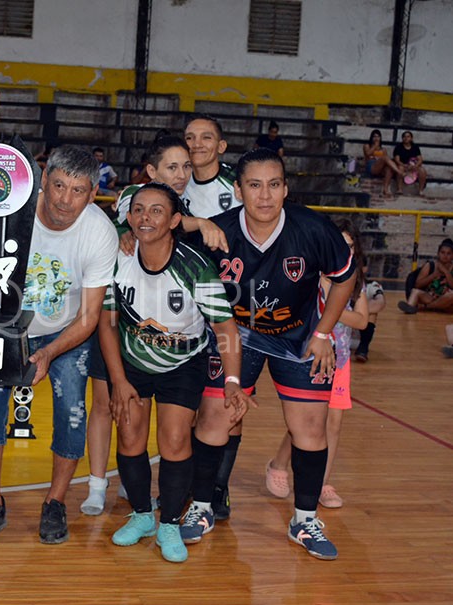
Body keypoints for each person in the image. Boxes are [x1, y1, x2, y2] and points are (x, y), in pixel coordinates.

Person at [184, 148, 355, 561]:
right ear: (238, 189)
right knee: (213, 421)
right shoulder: (217, 232)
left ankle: (304, 520)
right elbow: (161, 230)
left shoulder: (312, 228)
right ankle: (202, 507)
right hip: (235, 335)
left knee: (310, 431)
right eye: (255, 186)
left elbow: (345, 278)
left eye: (274, 185)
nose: (264, 196)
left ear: (286, 188)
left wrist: (323, 332)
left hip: (297, 338)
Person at [0, 145, 118, 545]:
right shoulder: (10, 212)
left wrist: (49, 353)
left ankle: (55, 501)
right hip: (6, 324)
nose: (65, 200)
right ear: (42, 179)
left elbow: (89, 316)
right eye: (58, 186)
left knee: (72, 409)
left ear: (93, 192)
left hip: (67, 331)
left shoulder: (99, 232)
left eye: (79, 190)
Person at [99, 183, 251, 563]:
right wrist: (118, 380)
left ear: (175, 220)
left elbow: (226, 329)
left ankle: (169, 523)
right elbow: (107, 324)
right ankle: (141, 516)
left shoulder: (195, 267)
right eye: (138, 210)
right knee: (130, 432)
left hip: (184, 363)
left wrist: (233, 382)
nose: (145, 217)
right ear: (129, 217)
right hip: (132, 360)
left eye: (156, 211)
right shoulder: (117, 259)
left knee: (174, 438)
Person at [265, 219, 369, 509]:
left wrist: (334, 302)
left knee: (333, 424)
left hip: (341, 360)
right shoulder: (308, 274)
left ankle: (321, 482)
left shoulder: (354, 281)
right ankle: (278, 464)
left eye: (350, 246)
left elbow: (362, 319)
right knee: (307, 422)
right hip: (311, 356)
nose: (343, 251)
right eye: (339, 245)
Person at [183, 114, 240, 520]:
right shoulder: (175, 180)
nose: (197, 144)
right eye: (190, 138)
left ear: (221, 146)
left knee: (225, 402)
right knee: (187, 401)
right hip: (180, 304)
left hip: (229, 301)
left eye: (206, 138)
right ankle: (189, 486)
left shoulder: (237, 186)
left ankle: (218, 487)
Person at [398, 238, 453, 314]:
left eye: (448, 253)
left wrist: (446, 272)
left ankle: (426, 307)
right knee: (415, 292)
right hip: (430, 297)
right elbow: (418, 285)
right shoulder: (430, 266)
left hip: (447, 301)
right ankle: (410, 308)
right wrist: (433, 276)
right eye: (442, 252)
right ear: (438, 253)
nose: (445, 256)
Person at [363, 129, 402, 199]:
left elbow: (386, 161)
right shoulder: (367, 146)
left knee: (389, 168)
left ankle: (385, 189)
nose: (376, 138)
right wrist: (375, 146)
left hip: (380, 168)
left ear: (380, 138)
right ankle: (399, 172)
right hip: (371, 166)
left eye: (378, 137)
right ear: (371, 138)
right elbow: (367, 153)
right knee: (384, 157)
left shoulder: (383, 150)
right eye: (374, 136)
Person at [355, 277, 385, 363]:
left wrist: (356, 312)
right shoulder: (337, 282)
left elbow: (380, 303)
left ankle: (363, 348)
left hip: (358, 331)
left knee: (372, 310)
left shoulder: (371, 285)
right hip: (338, 332)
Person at [393, 131, 428, 196]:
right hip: (402, 165)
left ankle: (421, 191)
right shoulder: (398, 147)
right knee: (400, 168)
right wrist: (404, 165)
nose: (406, 138)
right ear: (402, 138)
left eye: (408, 136)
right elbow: (397, 160)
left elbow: (420, 159)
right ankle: (399, 189)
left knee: (422, 171)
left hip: (413, 166)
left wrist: (415, 166)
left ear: (411, 138)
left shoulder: (415, 147)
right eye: (404, 136)